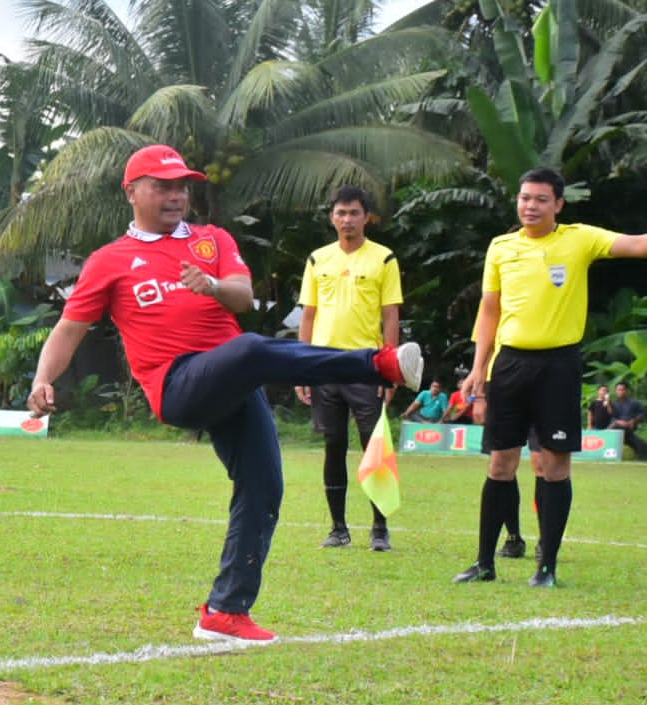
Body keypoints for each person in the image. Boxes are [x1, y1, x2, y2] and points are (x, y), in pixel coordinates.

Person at [27, 144, 422, 643]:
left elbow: (242, 295)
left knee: (264, 486)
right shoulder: (110, 261)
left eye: (182, 187)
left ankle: (225, 612)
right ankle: (378, 363)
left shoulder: (211, 239)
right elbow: (69, 329)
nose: (176, 196)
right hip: (178, 385)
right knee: (252, 351)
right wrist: (43, 379)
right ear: (131, 192)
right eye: (162, 186)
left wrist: (210, 285)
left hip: (231, 376)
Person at [454, 167, 647, 587]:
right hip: (508, 365)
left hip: (558, 366)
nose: (530, 205)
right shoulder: (501, 247)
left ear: (558, 204)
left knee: (554, 466)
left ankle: (547, 567)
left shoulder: (579, 239)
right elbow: (489, 311)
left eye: (541, 199)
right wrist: (478, 369)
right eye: (524, 198)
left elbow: (638, 245)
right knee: (500, 463)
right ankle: (485, 563)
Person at [295, 185, 403, 551]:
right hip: (324, 365)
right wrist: (301, 367)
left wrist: (390, 369)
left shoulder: (384, 259)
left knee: (375, 448)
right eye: (340, 213)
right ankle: (338, 528)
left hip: (366, 365)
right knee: (333, 445)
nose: (347, 220)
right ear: (331, 217)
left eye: (354, 213)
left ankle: (379, 529)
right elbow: (308, 315)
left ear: (366, 217)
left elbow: (391, 316)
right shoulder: (317, 259)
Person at [609, 381, 647, 461]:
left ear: (627, 391)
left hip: (628, 431)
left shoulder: (635, 403)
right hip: (615, 432)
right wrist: (618, 422)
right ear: (616, 391)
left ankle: (644, 459)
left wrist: (634, 421)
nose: (620, 391)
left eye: (622, 389)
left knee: (642, 445)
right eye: (618, 390)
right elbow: (611, 417)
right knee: (616, 425)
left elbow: (644, 413)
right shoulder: (614, 404)